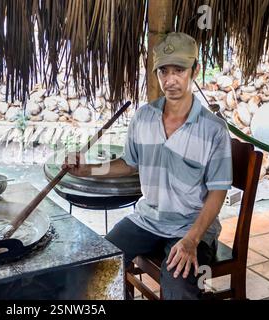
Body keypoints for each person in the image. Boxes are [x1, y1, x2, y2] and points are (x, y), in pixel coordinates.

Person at [63, 32, 233, 300]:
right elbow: (128, 163)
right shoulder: (144, 118)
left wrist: (192, 240)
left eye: (179, 70)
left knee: (177, 287)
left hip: (191, 227)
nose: (170, 80)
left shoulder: (213, 130)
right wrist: (87, 169)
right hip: (147, 219)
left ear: (195, 70)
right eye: (163, 71)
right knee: (95, 268)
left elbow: (218, 192)